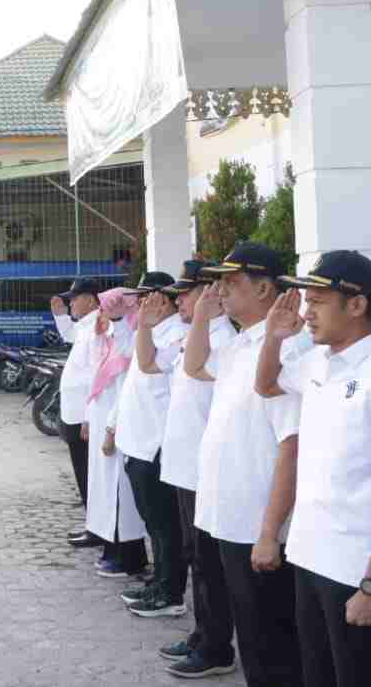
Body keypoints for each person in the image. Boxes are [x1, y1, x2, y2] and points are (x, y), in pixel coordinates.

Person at [257, 252, 371, 687]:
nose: (307, 313)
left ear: (356, 305)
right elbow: (267, 384)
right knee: (316, 676)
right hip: (310, 556)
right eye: (306, 302)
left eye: (318, 302)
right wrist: (273, 337)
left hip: (355, 571)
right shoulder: (317, 362)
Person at [184, 242, 310, 687]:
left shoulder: (286, 349)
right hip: (227, 517)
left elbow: (292, 447)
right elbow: (195, 366)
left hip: (257, 524)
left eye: (231, 282)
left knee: (272, 646)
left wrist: (269, 533)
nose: (221, 288)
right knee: (254, 640)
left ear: (263, 288)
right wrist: (202, 315)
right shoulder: (242, 342)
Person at [148, 262, 239, 678]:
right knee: (196, 559)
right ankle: (203, 635)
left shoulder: (224, 340)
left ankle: (216, 646)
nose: (180, 299)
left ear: (212, 294)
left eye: (188, 292)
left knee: (208, 564)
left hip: (206, 473)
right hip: (185, 469)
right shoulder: (195, 336)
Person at [113, 272, 186, 616]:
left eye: (149, 296)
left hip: (156, 445)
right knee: (153, 523)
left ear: (166, 299)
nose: (142, 303)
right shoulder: (155, 331)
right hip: (138, 442)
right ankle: (161, 582)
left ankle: (171, 594)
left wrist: (144, 324)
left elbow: (148, 363)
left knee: (164, 525)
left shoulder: (179, 334)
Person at [85, 287, 148, 579]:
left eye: (108, 308)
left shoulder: (132, 339)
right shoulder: (109, 340)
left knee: (120, 495)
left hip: (120, 428)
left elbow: (125, 391)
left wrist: (111, 429)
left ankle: (129, 556)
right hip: (104, 427)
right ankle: (112, 548)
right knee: (105, 493)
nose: (102, 315)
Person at [52, 279, 102, 547]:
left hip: (84, 415)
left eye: (75, 298)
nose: (71, 302)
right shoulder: (85, 326)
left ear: (92, 300)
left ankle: (96, 528)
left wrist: (88, 417)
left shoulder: (97, 326)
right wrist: (60, 315)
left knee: (89, 475)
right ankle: (91, 523)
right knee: (83, 474)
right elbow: (69, 335)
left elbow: (97, 375)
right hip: (74, 413)